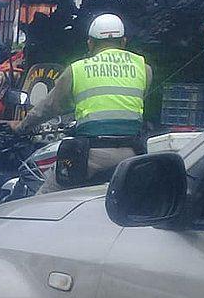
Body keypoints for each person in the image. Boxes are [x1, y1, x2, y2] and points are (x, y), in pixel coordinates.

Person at [14, 13, 151, 192]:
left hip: (89, 154)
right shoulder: (143, 68)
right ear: (123, 42)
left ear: (90, 43)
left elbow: (49, 107)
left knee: (43, 197)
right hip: (133, 154)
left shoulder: (77, 70)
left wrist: (22, 126)